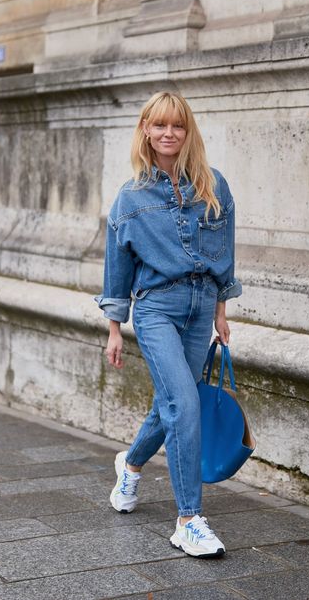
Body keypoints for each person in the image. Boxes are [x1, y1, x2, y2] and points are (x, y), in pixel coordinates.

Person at [94, 91, 242, 558]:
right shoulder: (130, 196)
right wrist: (115, 327)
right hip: (157, 307)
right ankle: (189, 520)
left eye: (177, 126)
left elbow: (225, 251)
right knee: (184, 403)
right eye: (159, 125)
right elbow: (116, 266)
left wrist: (221, 308)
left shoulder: (214, 185)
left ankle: (131, 464)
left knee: (173, 404)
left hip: (202, 306)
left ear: (188, 131)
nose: (168, 133)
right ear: (145, 130)